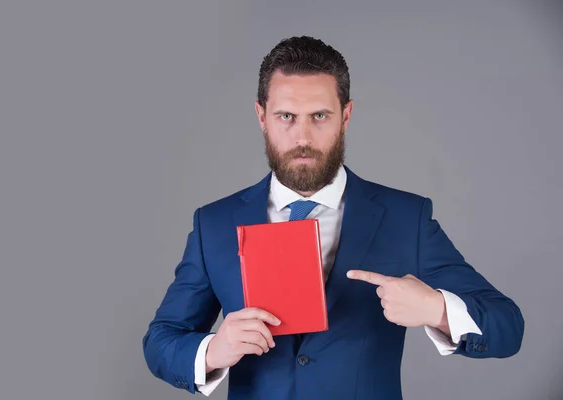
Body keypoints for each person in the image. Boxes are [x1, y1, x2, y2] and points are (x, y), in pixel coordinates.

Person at [142, 36, 524, 400]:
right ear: (262, 116)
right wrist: (213, 350)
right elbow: (161, 341)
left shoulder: (406, 218)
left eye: (320, 116)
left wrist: (437, 311)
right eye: (286, 116)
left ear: (346, 115)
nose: (302, 136)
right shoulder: (214, 224)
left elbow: (507, 326)